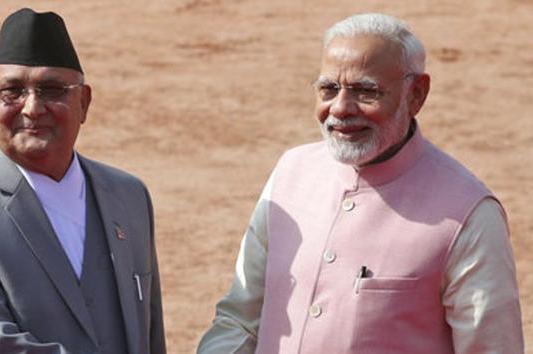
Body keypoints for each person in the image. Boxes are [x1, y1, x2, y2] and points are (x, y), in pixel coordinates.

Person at [197, 13, 523, 354]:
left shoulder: (469, 214)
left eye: (366, 91)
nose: (340, 108)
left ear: (416, 95)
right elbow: (240, 320)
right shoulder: (291, 172)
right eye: (328, 89)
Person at [0, 8, 166, 354]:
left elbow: (150, 336)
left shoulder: (129, 195)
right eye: (12, 90)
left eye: (52, 89)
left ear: (84, 102)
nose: (32, 108)